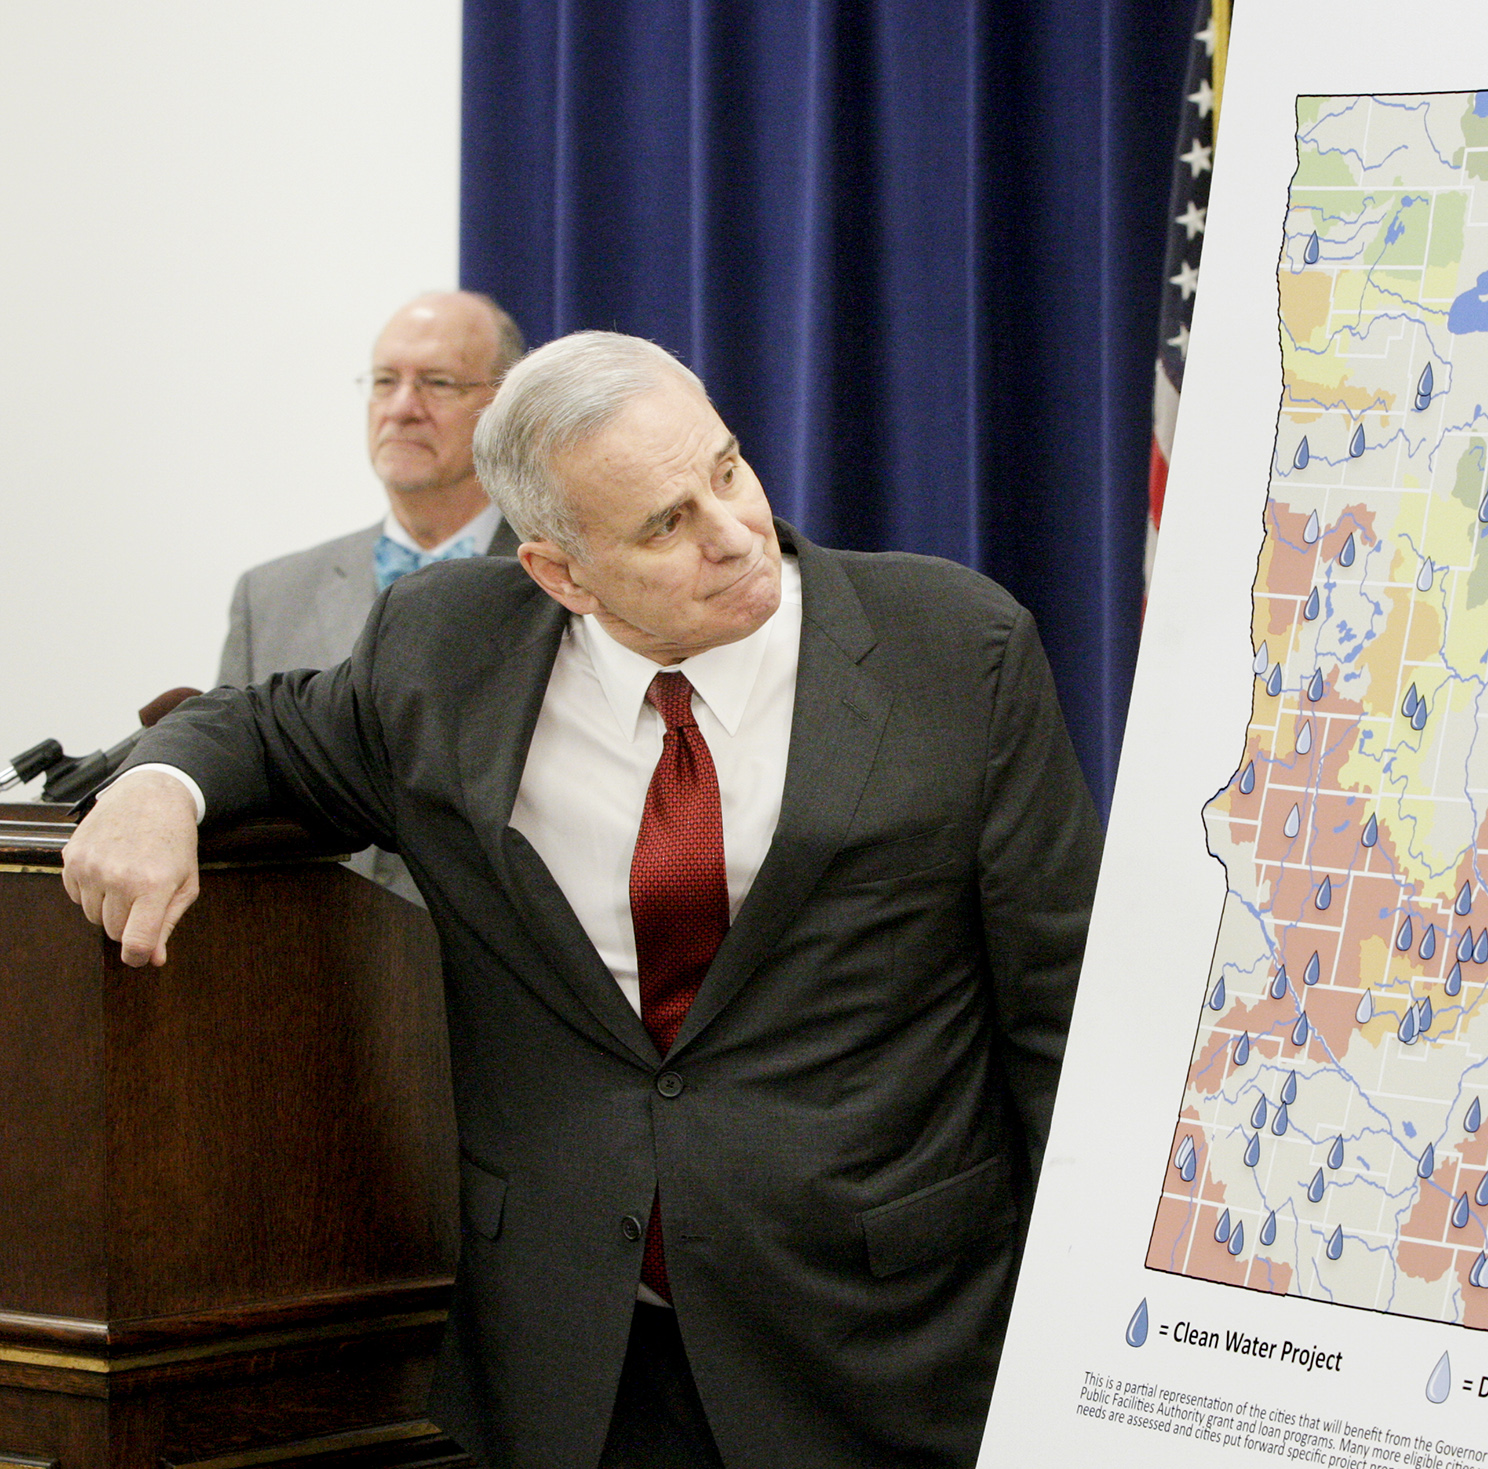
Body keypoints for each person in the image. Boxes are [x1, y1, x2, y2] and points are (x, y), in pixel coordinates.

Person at [62, 331, 1102, 1469]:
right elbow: (270, 725)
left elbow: (1063, 1018)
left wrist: (1090, 1346)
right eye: (664, 525)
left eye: (726, 467)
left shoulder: (954, 648)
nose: (734, 531)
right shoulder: (444, 651)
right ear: (560, 570)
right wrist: (158, 788)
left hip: (888, 1346)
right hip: (572, 1360)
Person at [217, 290, 526, 902]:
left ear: (504, 408)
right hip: (310, 963)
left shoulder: (561, 580)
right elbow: (234, 785)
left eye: (437, 383)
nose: (403, 408)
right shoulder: (271, 595)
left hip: (505, 975)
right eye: (385, 381)